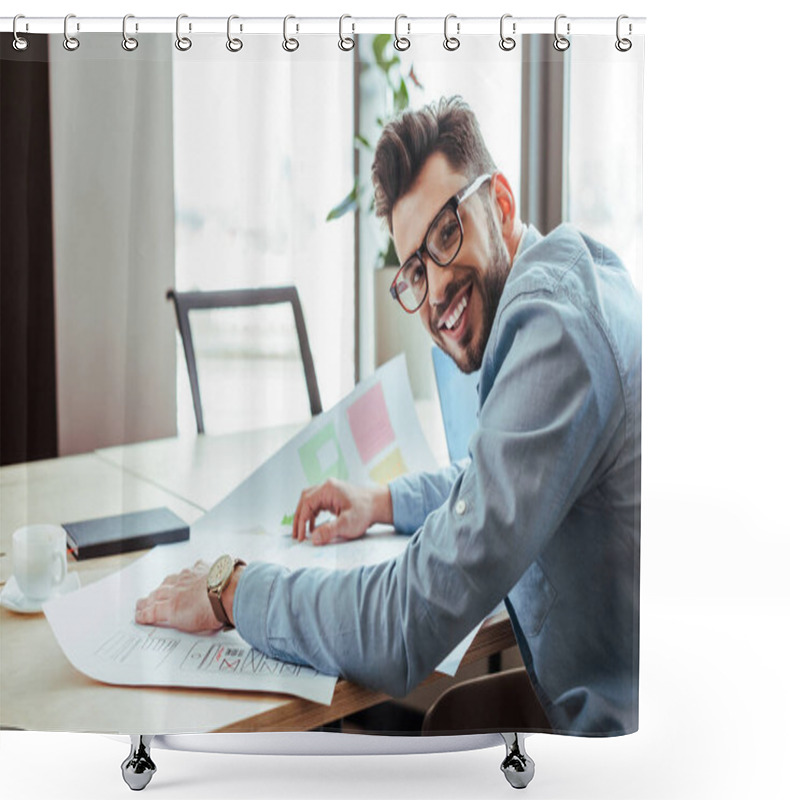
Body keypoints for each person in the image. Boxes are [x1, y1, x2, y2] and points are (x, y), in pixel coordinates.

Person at [136, 96, 641, 736]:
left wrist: (231, 592)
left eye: (446, 232)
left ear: (502, 204)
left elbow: (406, 621)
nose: (434, 293)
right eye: (413, 270)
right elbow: (490, 473)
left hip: (617, 736)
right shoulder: (567, 283)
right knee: (446, 720)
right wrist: (381, 502)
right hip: (595, 694)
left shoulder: (555, 334)